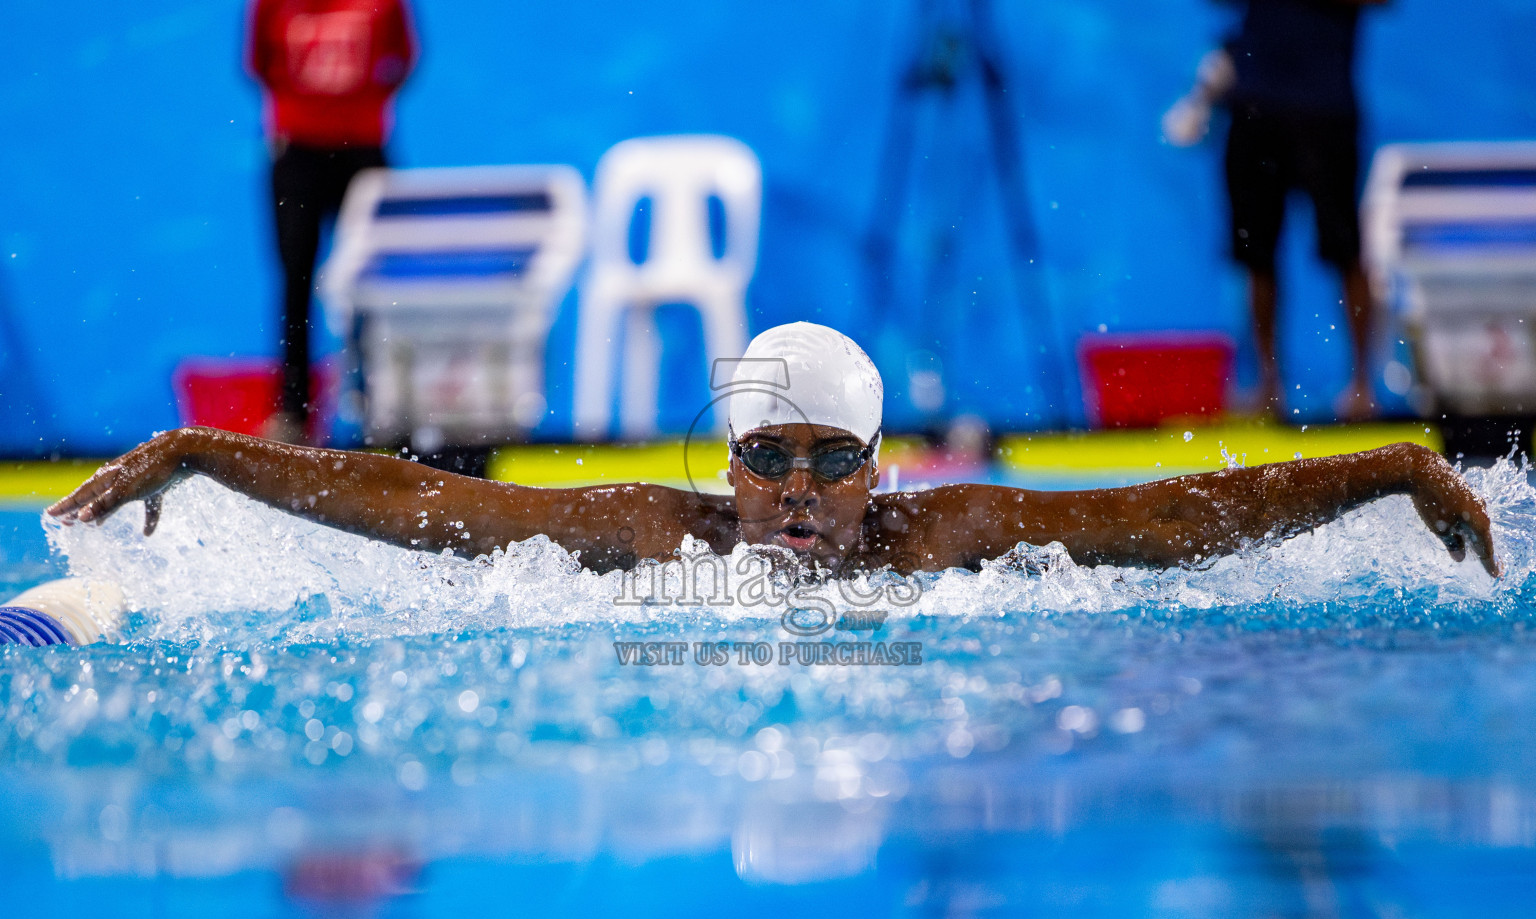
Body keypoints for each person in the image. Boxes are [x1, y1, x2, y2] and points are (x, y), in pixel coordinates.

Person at [50, 324, 1497, 578]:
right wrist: (206, 447)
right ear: (727, 463)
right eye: (769, 462)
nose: (797, 495)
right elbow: (418, 504)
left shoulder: (950, 537)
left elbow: (1167, 517)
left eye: (829, 461)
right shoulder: (651, 536)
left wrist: (1382, 464)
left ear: (879, 466)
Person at [247, 0, 417, 443]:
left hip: (362, 149)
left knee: (375, 284)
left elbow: (404, 59)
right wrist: (304, 110)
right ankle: (294, 412)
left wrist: (359, 108)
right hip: (298, 152)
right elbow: (259, 64)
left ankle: (380, 405)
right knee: (295, 279)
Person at [1221, 0, 1386, 421]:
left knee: (1346, 249)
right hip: (1257, 103)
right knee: (1255, 253)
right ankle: (1267, 386)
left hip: (1324, 108)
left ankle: (1362, 384)